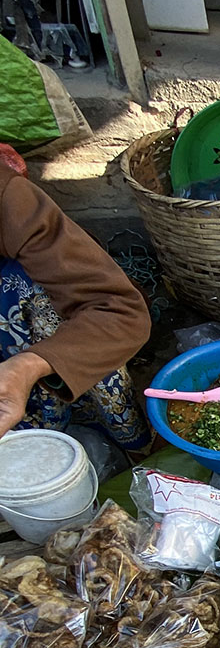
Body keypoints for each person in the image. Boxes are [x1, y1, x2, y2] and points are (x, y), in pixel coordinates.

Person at [0, 145, 152, 449]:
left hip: (21, 355)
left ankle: (109, 439)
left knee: (45, 304)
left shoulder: (9, 201)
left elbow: (121, 313)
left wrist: (26, 367)